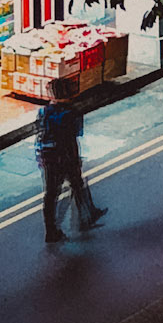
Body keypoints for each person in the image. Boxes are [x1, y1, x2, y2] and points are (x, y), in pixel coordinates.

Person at [35, 77, 105, 244]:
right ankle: (86, 216)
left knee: (51, 194)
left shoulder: (43, 112)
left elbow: (40, 133)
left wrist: (41, 156)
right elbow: (74, 136)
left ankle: (50, 231)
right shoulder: (72, 113)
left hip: (48, 156)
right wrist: (75, 159)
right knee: (77, 184)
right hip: (65, 155)